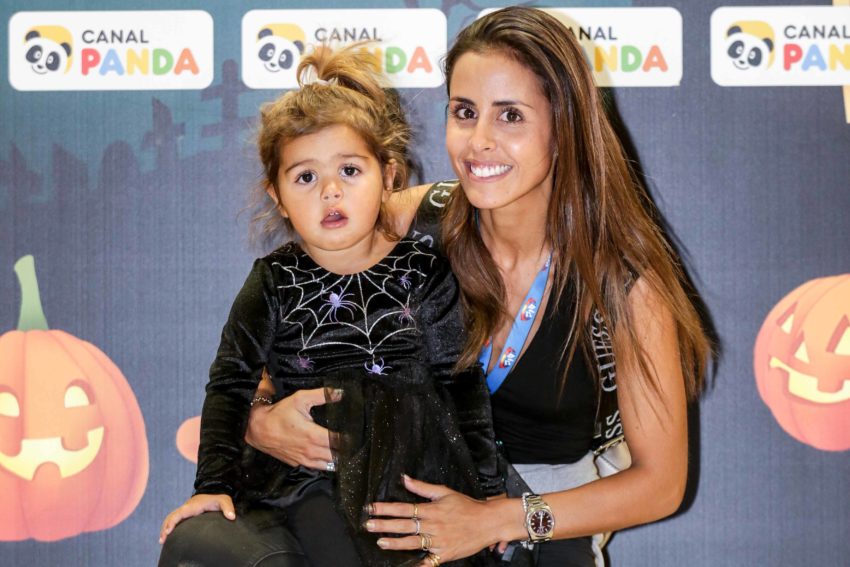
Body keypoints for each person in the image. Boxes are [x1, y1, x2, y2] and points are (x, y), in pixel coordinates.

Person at [246, 7, 711, 567]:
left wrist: (497, 519)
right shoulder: (410, 221)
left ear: (564, 128)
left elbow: (661, 484)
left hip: (541, 519)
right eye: (464, 112)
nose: (479, 141)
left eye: (510, 116)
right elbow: (283, 339)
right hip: (403, 500)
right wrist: (260, 415)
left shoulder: (625, 285)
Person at [157, 45, 501, 567]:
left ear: (388, 176)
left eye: (350, 170)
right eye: (306, 177)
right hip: (308, 481)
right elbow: (230, 383)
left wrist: (489, 494)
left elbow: (460, 382)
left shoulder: (424, 270)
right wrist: (211, 485)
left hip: (413, 477)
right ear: (277, 195)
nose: (331, 191)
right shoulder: (273, 281)